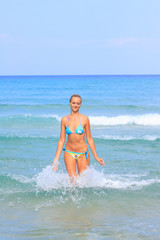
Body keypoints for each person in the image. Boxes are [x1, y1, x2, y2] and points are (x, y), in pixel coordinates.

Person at [52, 94, 105, 182]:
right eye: (73, 103)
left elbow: (89, 139)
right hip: (69, 152)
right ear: (69, 103)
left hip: (83, 154)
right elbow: (61, 140)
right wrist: (56, 160)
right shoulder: (64, 120)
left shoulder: (85, 119)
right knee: (73, 181)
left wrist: (96, 156)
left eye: (78, 103)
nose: (75, 105)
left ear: (80, 104)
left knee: (82, 182)